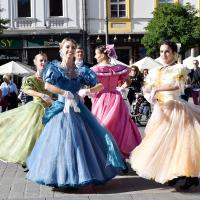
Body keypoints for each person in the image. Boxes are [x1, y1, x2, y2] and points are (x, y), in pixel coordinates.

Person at [26, 38, 125, 188]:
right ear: (61, 49)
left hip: (78, 109)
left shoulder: (82, 70)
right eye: (67, 47)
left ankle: (81, 175)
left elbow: (99, 85)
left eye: (73, 47)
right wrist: (64, 93)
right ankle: (60, 177)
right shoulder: (54, 67)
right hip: (61, 108)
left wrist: (87, 91)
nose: (70, 49)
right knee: (61, 143)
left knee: (80, 143)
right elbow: (47, 85)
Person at [129, 40, 200, 190]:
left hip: (175, 109)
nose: (164, 54)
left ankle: (188, 175)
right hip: (160, 111)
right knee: (163, 144)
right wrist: (148, 92)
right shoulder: (157, 70)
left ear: (174, 53)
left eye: (167, 51)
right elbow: (147, 86)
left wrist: (157, 89)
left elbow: (177, 85)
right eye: (161, 52)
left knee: (181, 143)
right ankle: (173, 173)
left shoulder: (179, 68)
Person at [89, 44, 141, 160]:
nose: (95, 56)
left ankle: (107, 156)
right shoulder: (117, 68)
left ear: (103, 55)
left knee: (102, 126)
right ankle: (120, 156)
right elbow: (128, 81)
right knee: (119, 127)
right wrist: (121, 88)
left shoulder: (95, 70)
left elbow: (95, 86)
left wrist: (88, 92)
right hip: (115, 98)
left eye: (96, 53)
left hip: (101, 99)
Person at [0, 53, 52, 166]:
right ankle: (29, 159)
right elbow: (26, 89)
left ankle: (46, 159)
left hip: (51, 110)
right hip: (37, 110)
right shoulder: (31, 78)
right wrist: (41, 95)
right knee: (32, 135)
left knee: (49, 136)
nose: (43, 63)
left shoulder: (50, 78)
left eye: (45, 60)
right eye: (41, 60)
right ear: (35, 62)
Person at [75, 45, 93, 110]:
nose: (80, 53)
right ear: (74, 53)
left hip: (86, 96)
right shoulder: (70, 65)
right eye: (78, 52)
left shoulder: (90, 66)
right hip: (74, 95)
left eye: (82, 52)